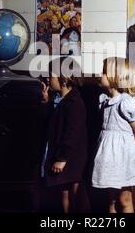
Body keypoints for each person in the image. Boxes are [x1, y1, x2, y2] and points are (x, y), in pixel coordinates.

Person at [92, 57, 135, 213]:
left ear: (115, 76)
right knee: (111, 201)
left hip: (123, 158)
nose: (99, 75)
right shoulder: (104, 101)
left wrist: (131, 152)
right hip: (108, 158)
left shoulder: (125, 103)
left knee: (124, 199)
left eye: (103, 72)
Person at [41, 57, 87, 213]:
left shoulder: (74, 102)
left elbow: (72, 133)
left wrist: (61, 158)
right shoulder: (60, 100)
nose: (49, 78)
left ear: (64, 78)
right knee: (64, 194)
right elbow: (53, 123)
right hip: (63, 156)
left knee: (74, 195)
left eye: (51, 75)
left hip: (70, 158)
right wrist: (46, 101)